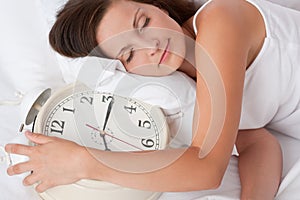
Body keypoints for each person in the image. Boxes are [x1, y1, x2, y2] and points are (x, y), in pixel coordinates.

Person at [7, 0, 300, 199]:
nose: (152, 45)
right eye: (129, 53)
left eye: (144, 22)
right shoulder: (185, 80)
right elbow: (258, 143)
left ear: (156, 6)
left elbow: (208, 166)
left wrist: (85, 163)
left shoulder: (221, 23)